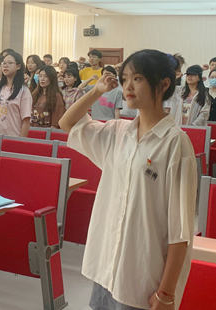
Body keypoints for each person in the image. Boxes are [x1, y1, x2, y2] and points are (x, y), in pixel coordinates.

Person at [59, 49, 197, 310]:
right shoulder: (118, 132)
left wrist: (166, 292)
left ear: (164, 84)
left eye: (138, 78)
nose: (128, 86)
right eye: (124, 79)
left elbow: (180, 228)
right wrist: (97, 90)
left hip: (141, 276)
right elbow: (67, 123)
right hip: (107, 266)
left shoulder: (175, 143)